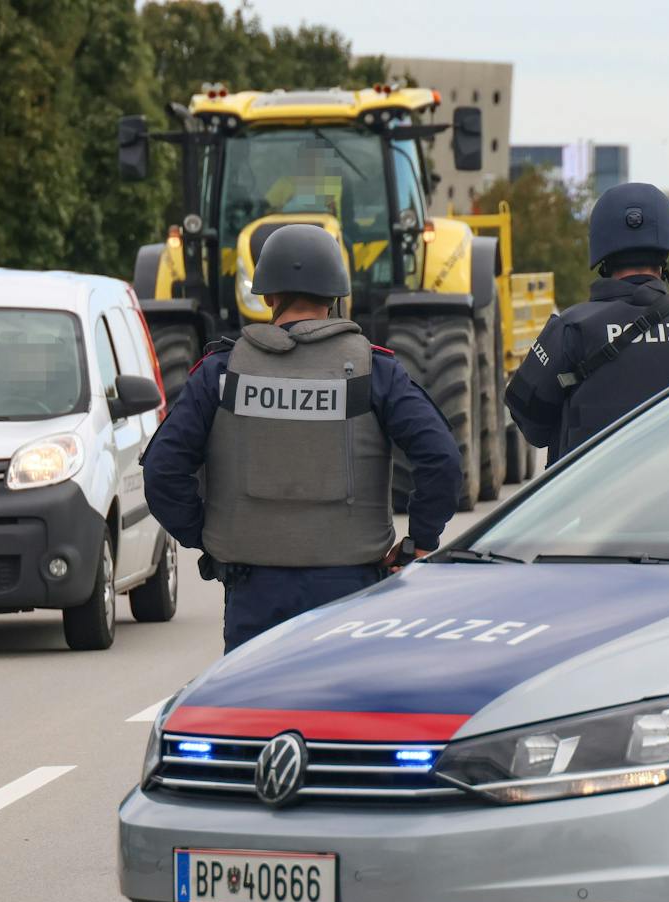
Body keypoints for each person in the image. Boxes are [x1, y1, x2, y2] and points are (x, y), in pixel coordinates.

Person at [143, 223, 462, 652]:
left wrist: (209, 534)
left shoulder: (222, 374)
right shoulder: (376, 371)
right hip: (351, 590)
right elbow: (441, 458)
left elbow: (163, 469)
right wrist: (418, 542)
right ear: (335, 296)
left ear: (267, 296)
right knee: (342, 712)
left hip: (251, 587)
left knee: (253, 710)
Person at [506, 182, 669, 464]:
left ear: (603, 257)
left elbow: (531, 426)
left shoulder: (570, 329)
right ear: (666, 256)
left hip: (596, 505)